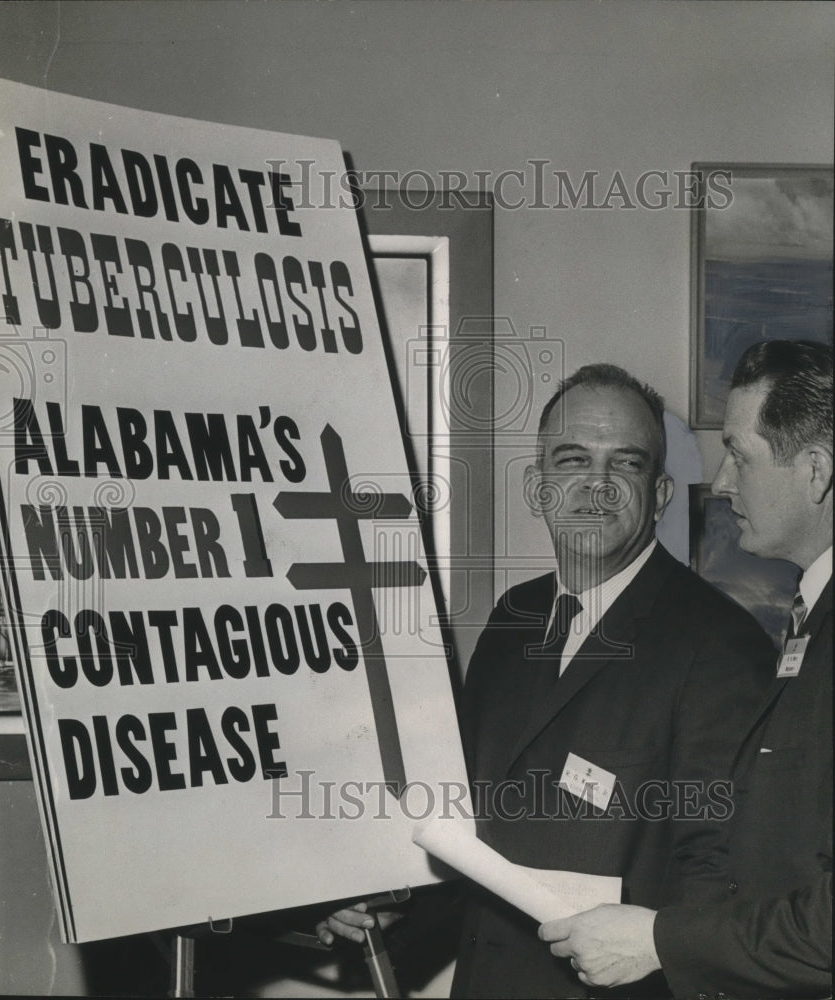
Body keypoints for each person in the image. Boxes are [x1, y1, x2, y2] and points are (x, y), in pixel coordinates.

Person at [319, 364, 774, 998]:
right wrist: (397, 907)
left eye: (627, 464)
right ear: (538, 487)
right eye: (572, 460)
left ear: (662, 494)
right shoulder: (512, 620)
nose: (598, 486)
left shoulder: (720, 646)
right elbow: (475, 830)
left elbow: (719, 877)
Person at [539, 340, 833, 999]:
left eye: (739, 454)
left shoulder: (726, 641)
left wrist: (656, 941)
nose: (723, 483)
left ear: (816, 472)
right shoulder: (808, 621)